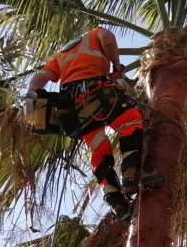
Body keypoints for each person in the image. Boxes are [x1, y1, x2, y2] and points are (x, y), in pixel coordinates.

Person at [23, 27, 146, 219]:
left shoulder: (61, 55)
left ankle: (114, 199)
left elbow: (41, 77)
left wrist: (30, 96)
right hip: (97, 93)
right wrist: (116, 65)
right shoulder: (96, 33)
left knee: (98, 148)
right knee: (130, 120)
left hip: (72, 111)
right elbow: (108, 41)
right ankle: (131, 171)